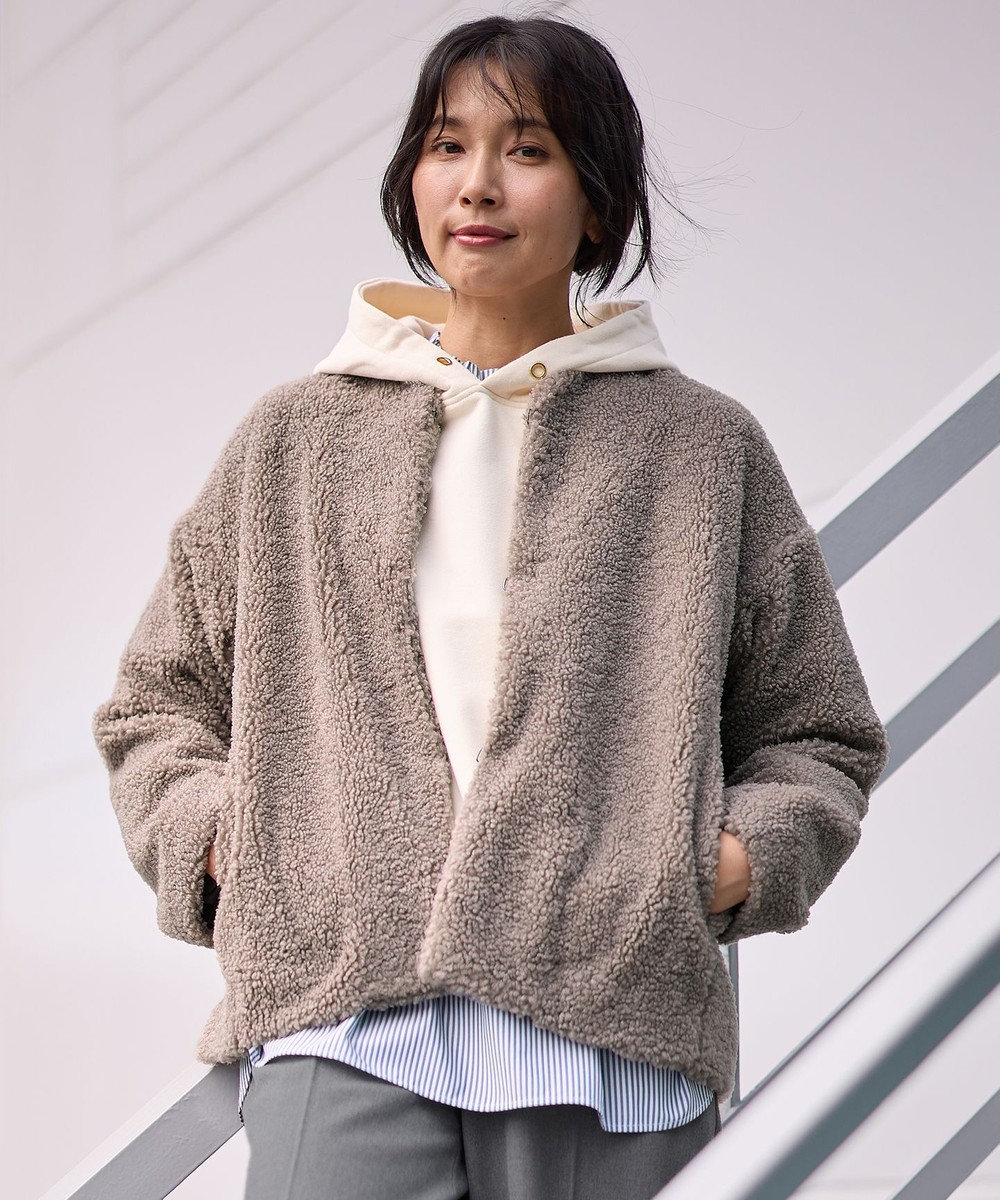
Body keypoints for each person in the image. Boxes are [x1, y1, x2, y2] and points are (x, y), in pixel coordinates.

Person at [92, 14, 890, 1200]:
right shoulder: (295, 438)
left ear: (598, 202)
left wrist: (705, 869)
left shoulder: (700, 448)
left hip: (610, 1033)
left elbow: (815, 732)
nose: (476, 183)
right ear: (411, 180)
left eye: (526, 149)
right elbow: (154, 707)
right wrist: (235, 845)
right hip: (346, 1019)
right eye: (444, 144)